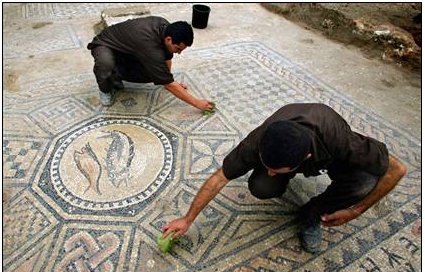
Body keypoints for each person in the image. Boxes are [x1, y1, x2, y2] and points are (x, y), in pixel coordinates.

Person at [162, 103, 407, 253]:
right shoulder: (257, 142)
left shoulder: (341, 141)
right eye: (266, 165)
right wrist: (187, 218)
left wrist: (356, 211)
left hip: (331, 152)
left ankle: (311, 214)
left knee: (364, 181)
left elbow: (397, 169)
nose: (268, 171)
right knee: (262, 185)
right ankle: (284, 181)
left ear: (307, 157)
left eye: (276, 169)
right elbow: (218, 179)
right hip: (296, 148)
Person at [87, 16, 214, 110]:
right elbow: (167, 84)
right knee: (106, 64)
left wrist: (170, 79)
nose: (179, 53)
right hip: (105, 44)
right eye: (178, 49)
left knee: (154, 73)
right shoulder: (150, 47)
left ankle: (115, 74)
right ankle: (106, 87)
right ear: (169, 40)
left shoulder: (166, 28)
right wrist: (197, 103)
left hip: (126, 49)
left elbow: (167, 60)